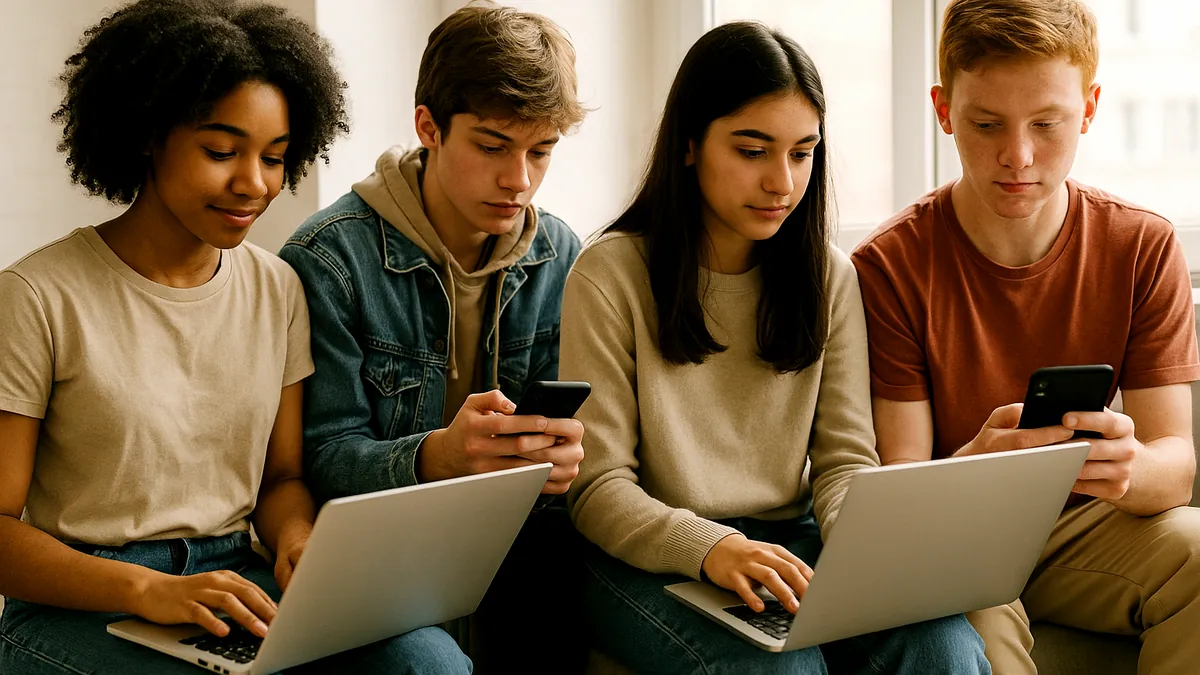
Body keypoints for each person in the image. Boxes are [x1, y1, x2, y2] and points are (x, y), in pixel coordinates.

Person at [0, 1, 469, 672]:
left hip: (233, 575)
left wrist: (298, 539)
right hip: (79, 600)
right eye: (221, 151)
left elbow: (280, 478)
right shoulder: (36, 295)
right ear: (147, 136)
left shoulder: (276, 289)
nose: (253, 184)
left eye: (275, 158)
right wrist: (150, 588)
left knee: (427, 662)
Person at [560, 20, 991, 675]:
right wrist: (714, 545)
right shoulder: (608, 273)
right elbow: (598, 489)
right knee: (780, 668)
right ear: (689, 145)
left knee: (943, 647)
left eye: (801, 152)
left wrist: (870, 558)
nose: (783, 182)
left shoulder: (829, 276)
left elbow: (845, 464)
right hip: (643, 556)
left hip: (791, 540)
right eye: (753, 150)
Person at [850, 1, 1200, 672]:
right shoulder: (889, 265)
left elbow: (1174, 469)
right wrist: (972, 469)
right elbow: (901, 489)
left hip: (1087, 529)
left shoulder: (1141, 245)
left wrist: (1130, 467)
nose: (1018, 156)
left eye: (1048, 123)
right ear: (943, 109)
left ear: (1090, 108)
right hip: (960, 535)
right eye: (986, 124)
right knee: (971, 617)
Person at [278, 3, 588, 672]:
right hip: (379, 556)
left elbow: (576, 429)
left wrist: (563, 458)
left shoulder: (558, 251)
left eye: (541, 150)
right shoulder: (328, 259)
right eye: (493, 145)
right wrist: (436, 456)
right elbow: (313, 462)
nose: (521, 179)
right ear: (429, 126)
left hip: (514, 542)